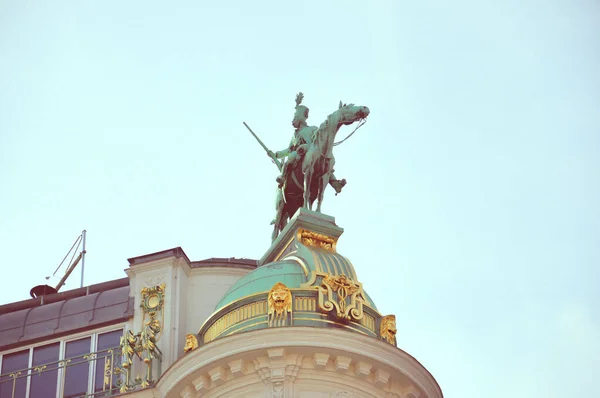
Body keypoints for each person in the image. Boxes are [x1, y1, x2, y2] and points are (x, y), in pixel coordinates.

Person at [268, 93, 346, 194]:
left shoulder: (312, 129)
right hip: (299, 155)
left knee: (325, 163)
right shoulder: (294, 135)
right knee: (291, 155)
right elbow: (289, 149)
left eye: (295, 118)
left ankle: (335, 183)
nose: (293, 120)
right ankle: (283, 177)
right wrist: (276, 154)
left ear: (300, 118)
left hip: (312, 152)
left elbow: (322, 136)